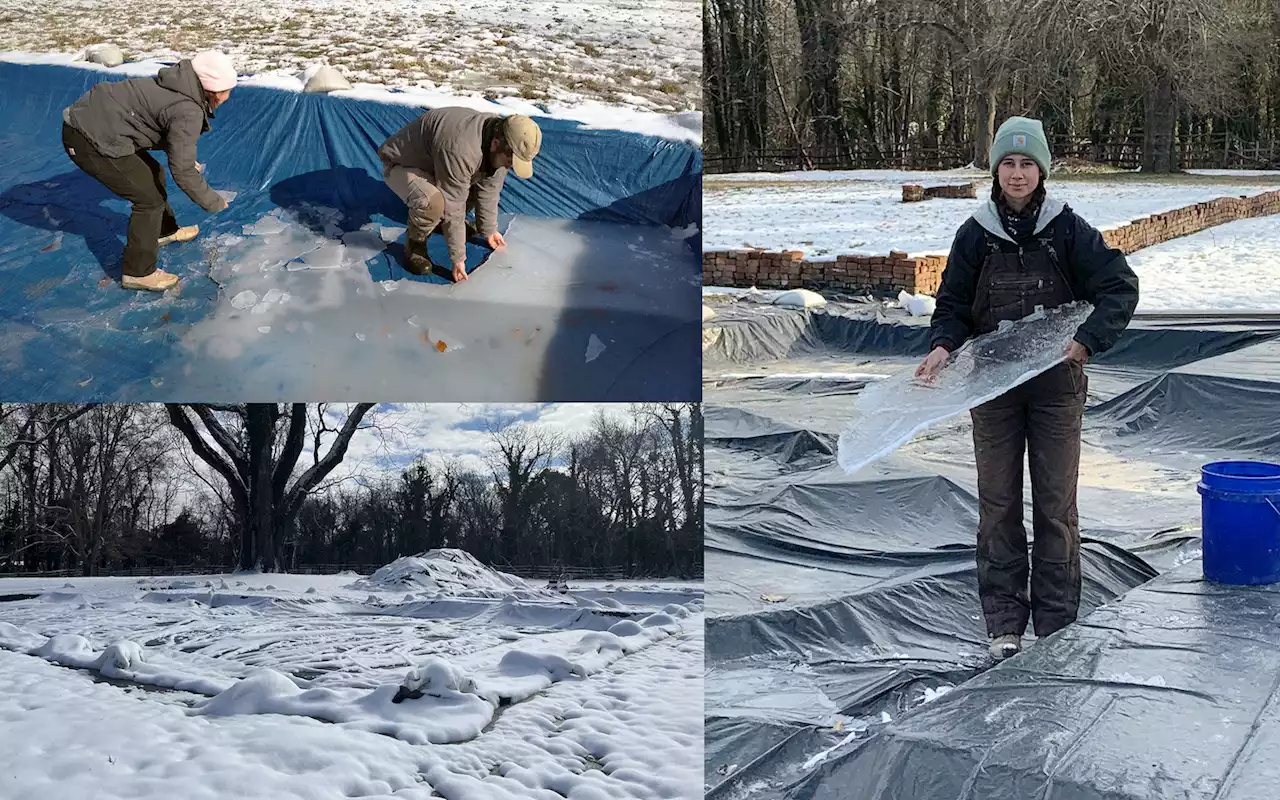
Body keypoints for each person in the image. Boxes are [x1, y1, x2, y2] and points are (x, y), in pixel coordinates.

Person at [916, 116, 1139, 661]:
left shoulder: (1069, 231)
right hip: (993, 388)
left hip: (1057, 388)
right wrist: (944, 344)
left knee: (1056, 505)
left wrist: (1088, 340)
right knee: (997, 505)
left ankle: (1057, 625)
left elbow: (1120, 288)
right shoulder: (975, 234)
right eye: (1008, 164)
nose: (1017, 174)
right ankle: (1004, 626)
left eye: (1027, 164)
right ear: (995, 171)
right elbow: (952, 305)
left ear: (1042, 170)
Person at [61, 51, 236, 292]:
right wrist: (214, 202)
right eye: (228, 90)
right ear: (213, 90)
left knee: (153, 172)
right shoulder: (188, 109)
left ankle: (163, 231)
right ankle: (138, 272)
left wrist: (185, 158)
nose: (229, 95)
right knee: (148, 200)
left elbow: (165, 128)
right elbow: (183, 171)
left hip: (103, 124)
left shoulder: (179, 84)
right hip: (88, 138)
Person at [377, 108, 542, 282]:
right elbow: (454, 205)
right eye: (510, 162)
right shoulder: (460, 148)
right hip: (402, 166)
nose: (509, 167)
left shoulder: (502, 134)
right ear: (495, 144)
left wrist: (489, 230)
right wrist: (458, 258)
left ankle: (439, 224)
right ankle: (415, 243)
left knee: (474, 180)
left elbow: (490, 188)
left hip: (438, 165)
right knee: (433, 203)